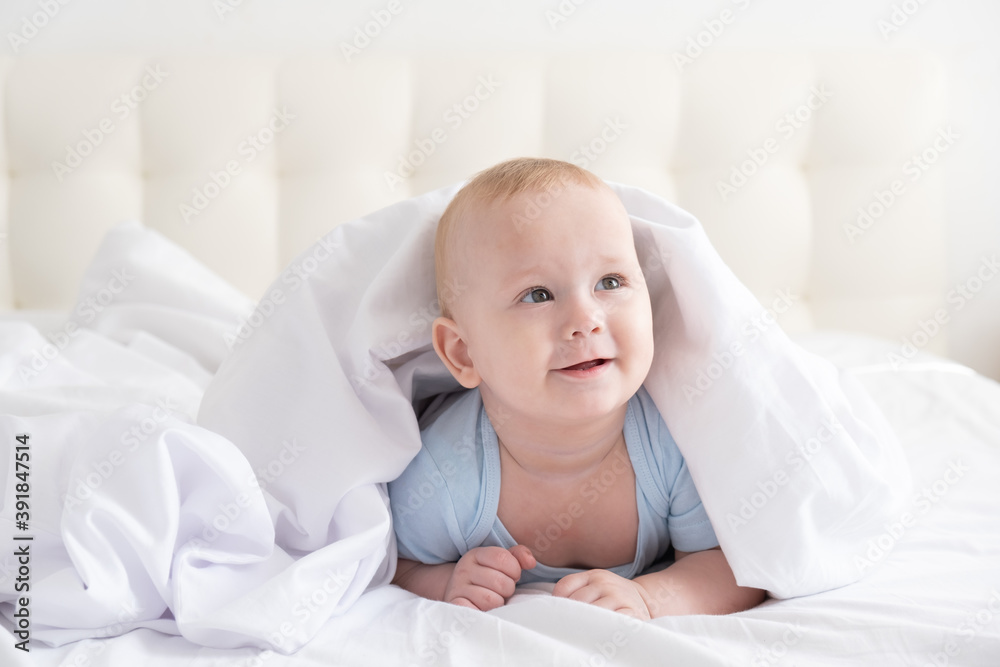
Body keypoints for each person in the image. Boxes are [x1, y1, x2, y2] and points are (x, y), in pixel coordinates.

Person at [388, 157, 766, 619]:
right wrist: (447, 581)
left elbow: (733, 566)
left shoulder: (676, 441)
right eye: (537, 294)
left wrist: (651, 596)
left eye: (610, 282)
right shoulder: (443, 475)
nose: (586, 319)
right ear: (465, 354)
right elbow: (392, 564)